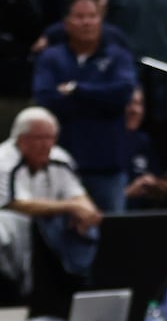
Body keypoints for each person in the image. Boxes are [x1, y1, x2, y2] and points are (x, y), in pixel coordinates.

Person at [32, 0, 136, 213]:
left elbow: (121, 95)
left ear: (101, 21)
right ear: (66, 23)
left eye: (92, 16)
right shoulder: (51, 58)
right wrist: (99, 99)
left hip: (107, 164)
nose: (86, 22)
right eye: (79, 17)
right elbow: (46, 99)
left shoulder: (118, 56)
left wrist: (76, 89)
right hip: (61, 163)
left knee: (113, 233)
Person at [0, 106, 99, 308]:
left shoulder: (60, 157)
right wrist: (70, 206)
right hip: (10, 235)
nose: (47, 144)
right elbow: (15, 204)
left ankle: (79, 287)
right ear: (21, 139)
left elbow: (79, 195)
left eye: (51, 137)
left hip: (51, 236)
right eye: (40, 138)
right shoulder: (4, 160)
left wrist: (87, 210)